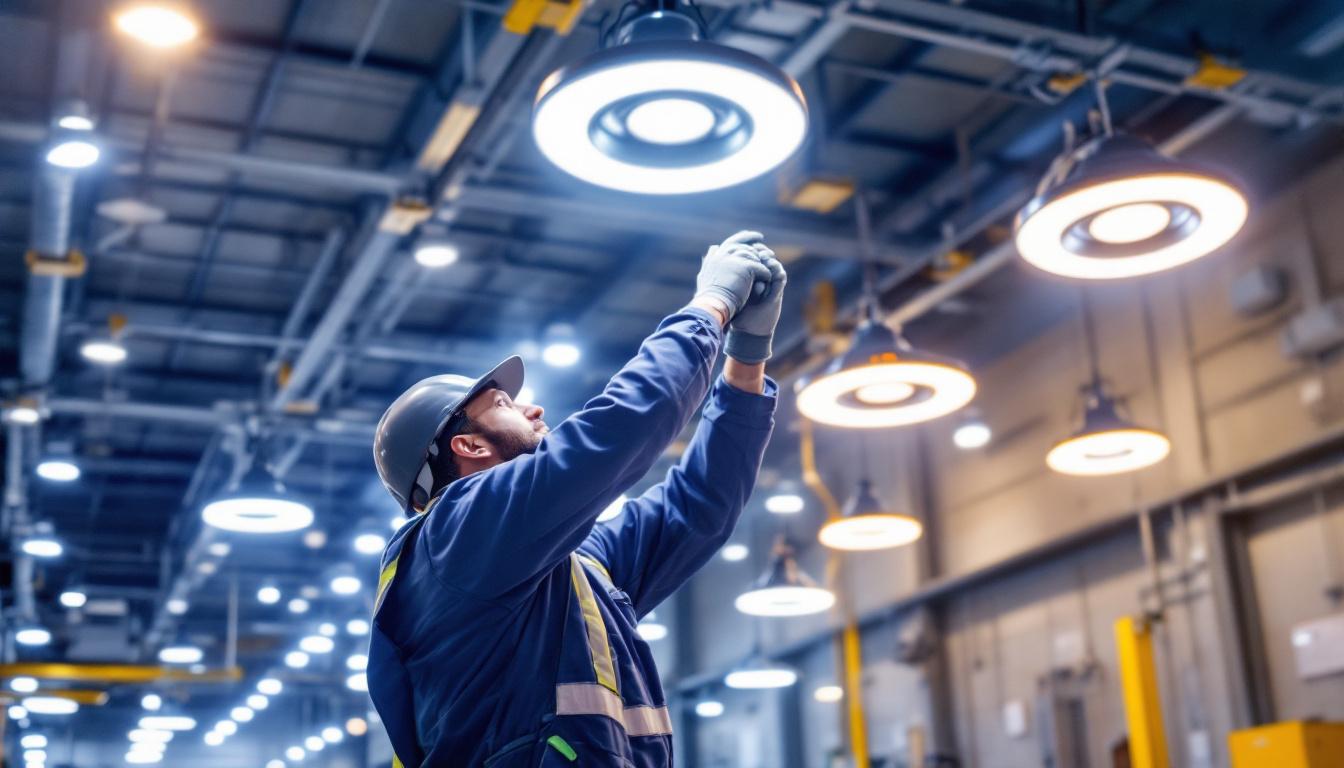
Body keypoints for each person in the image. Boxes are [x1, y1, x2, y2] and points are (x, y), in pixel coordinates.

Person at [367, 231, 787, 767]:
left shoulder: (576, 568)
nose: (534, 410)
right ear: (468, 445)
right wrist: (712, 305)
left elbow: (699, 506)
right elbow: (621, 429)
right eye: (505, 404)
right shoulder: (456, 534)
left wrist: (746, 363)